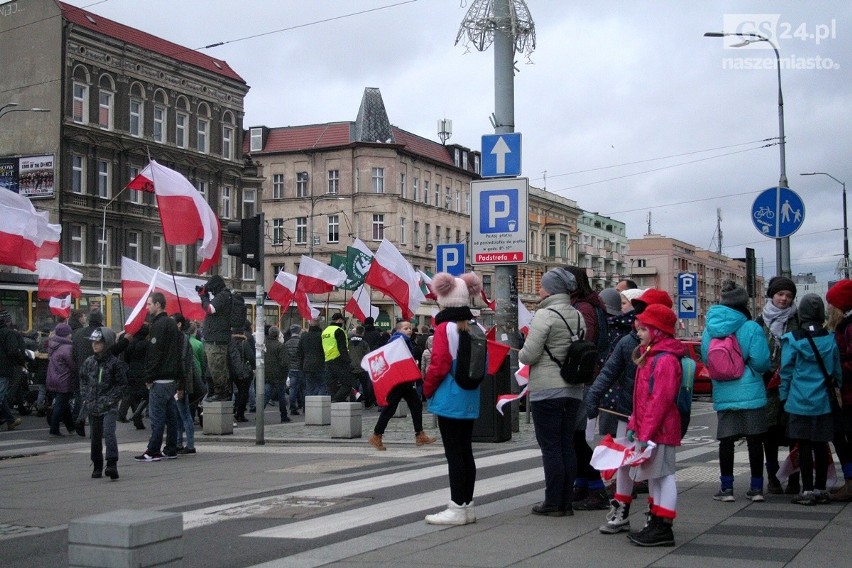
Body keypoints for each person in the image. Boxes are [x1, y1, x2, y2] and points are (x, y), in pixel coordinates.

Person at [518, 267, 586, 517]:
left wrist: (524, 352)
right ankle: (566, 501)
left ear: (551, 289)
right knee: (567, 444)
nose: (539, 289)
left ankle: (553, 501)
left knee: (551, 447)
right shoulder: (577, 315)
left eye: (543, 285)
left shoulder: (545, 315)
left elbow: (529, 354)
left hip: (547, 389)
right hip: (573, 389)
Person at [617, 304, 684, 547]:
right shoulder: (653, 354)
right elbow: (643, 400)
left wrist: (644, 432)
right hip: (653, 428)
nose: (639, 333)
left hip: (659, 429)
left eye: (644, 329)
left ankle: (663, 526)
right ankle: (656, 521)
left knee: (663, 476)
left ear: (659, 331)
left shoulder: (663, 360)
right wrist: (636, 425)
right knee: (655, 476)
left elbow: (659, 401)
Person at [701, 281, 771, 502]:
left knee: (727, 441)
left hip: (724, 390)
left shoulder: (710, 329)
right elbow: (761, 362)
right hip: (751, 391)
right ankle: (757, 488)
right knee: (754, 440)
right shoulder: (751, 327)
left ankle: (727, 489)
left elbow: (707, 360)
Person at [423, 272, 484, 526]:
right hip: (470, 394)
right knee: (465, 451)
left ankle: (457, 506)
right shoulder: (477, 327)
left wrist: (426, 389)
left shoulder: (444, 328)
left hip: (450, 395)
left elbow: (438, 364)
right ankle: (467, 505)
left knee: (453, 454)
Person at [780, 293, 842, 505]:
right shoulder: (830, 339)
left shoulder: (792, 339)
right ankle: (821, 489)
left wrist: (783, 396)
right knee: (821, 445)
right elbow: (835, 371)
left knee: (803, 445)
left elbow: (786, 372)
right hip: (823, 401)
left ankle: (806, 491)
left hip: (798, 401)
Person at [564, 265, 610, 511]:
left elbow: (584, 342)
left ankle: (595, 486)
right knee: (576, 436)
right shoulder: (590, 304)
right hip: (590, 375)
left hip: (585, 377)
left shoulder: (582, 308)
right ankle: (582, 483)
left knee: (575, 437)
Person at [757, 276, 801, 494]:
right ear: (772, 295)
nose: (784, 299)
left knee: (794, 434)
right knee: (769, 435)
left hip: (793, 386)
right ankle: (773, 478)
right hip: (767, 387)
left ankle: (794, 478)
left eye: (789, 296)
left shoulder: (797, 321)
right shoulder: (760, 322)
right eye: (780, 294)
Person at [369, 320, 436, 451]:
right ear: (399, 330)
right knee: (393, 407)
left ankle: (419, 434)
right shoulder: (399, 340)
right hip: (400, 380)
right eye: (405, 328)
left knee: (414, 405)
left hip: (403, 379)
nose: (409, 330)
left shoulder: (401, 341)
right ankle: (377, 435)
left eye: (410, 328)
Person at [136, 292, 183, 462]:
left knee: (157, 417)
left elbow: (155, 354)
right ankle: (171, 448)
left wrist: (149, 376)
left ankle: (153, 450)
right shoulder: (172, 325)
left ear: (158, 305)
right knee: (171, 416)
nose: (147, 308)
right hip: (171, 378)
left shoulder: (158, 326)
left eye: (149, 304)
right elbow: (178, 354)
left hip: (160, 378)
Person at [79, 327, 127, 480]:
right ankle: (97, 464)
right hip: (93, 405)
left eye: (98, 342)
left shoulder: (114, 363)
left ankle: (112, 463)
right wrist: (86, 396)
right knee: (95, 436)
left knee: (108, 433)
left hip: (109, 406)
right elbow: (83, 380)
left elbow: (121, 385)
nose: (95, 345)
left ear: (106, 344)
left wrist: (110, 399)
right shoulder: (89, 362)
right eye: (93, 342)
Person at [825, 279, 852, 501]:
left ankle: (850, 484)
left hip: (849, 395)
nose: (829, 308)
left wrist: (836, 371)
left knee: (842, 436)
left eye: (832, 304)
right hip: (846, 393)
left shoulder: (849, 327)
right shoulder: (846, 325)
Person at [199, 274, 233, 401]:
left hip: (216, 339)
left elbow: (210, 309)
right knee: (215, 368)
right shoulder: (224, 295)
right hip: (215, 337)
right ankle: (219, 391)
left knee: (217, 367)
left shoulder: (223, 295)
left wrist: (203, 297)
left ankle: (221, 392)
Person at [71, 310, 104, 436]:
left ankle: (79, 419)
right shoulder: (101, 333)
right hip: (97, 370)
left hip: (80, 369)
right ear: (100, 320)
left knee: (81, 397)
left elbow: (73, 353)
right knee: (95, 399)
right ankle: (95, 432)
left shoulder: (78, 333)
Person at [173, 314, 198, 454]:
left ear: (179, 324)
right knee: (178, 413)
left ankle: (190, 444)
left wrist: (180, 385)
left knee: (184, 413)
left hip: (181, 382)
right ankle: (179, 442)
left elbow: (182, 362)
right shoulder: (179, 338)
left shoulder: (182, 339)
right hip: (179, 381)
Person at [46, 323, 76, 436]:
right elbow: (72, 365)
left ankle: (71, 428)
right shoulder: (67, 347)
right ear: (66, 334)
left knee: (64, 405)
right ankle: (54, 429)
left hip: (52, 378)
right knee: (60, 405)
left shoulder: (53, 345)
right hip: (64, 380)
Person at [322, 313, 358, 402]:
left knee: (332, 384)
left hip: (328, 360)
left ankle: (335, 402)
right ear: (339, 320)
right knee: (348, 383)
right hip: (339, 360)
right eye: (343, 320)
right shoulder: (339, 330)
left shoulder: (325, 331)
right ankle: (337, 399)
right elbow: (342, 348)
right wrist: (348, 361)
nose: (343, 322)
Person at [119, 324, 149, 430]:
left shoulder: (131, 343)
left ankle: (138, 420)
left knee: (135, 396)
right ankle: (137, 415)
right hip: (144, 372)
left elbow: (126, 358)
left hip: (131, 372)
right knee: (147, 396)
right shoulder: (146, 344)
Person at [0, 310, 26, 430]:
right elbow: (13, 351)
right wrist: (21, 361)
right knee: (1, 395)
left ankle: (10, 420)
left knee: (3, 395)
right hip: (4, 369)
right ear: (7, 320)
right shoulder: (8, 333)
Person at [229, 322, 255, 422]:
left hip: (230, 371)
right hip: (243, 371)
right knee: (243, 393)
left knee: (230, 392)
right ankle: (240, 414)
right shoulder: (244, 343)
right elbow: (251, 357)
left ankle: (229, 411)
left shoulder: (229, 343)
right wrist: (253, 367)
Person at [265, 326, 291, 423]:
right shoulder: (280, 346)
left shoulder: (264, 345)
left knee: (266, 394)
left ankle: (259, 413)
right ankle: (283, 416)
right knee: (281, 397)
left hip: (267, 374)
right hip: (279, 375)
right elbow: (284, 362)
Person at [298, 318, 327, 396]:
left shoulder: (304, 337)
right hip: (321, 365)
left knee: (309, 387)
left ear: (309, 325)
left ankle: (309, 406)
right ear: (319, 325)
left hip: (307, 366)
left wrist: (301, 366)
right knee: (322, 386)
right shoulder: (322, 336)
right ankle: (319, 404)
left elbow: (299, 352)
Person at [348, 325, 374, 407]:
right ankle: (367, 403)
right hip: (362, 368)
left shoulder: (349, 342)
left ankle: (353, 402)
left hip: (351, 367)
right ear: (363, 332)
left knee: (353, 386)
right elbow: (368, 355)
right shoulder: (364, 343)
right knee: (365, 386)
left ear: (355, 332)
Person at [284, 325, 304, 414]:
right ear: (299, 332)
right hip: (301, 368)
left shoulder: (287, 343)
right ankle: (305, 407)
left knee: (293, 389)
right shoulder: (301, 342)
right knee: (303, 388)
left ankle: (292, 408)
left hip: (291, 368)